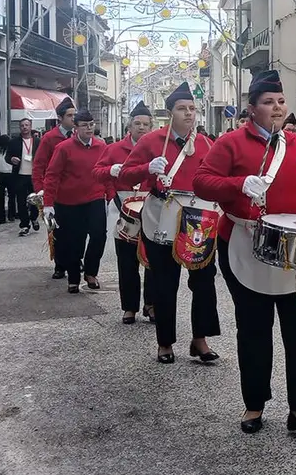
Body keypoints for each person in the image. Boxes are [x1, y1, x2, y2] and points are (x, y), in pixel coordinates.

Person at [193, 70, 296, 437]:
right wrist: (238, 184)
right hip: (245, 244)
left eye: (281, 102)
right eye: (268, 102)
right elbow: (202, 181)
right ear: (252, 109)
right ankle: (255, 403)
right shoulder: (231, 143)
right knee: (254, 328)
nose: (277, 108)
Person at [119, 83, 220, 365]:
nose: (189, 114)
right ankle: (165, 342)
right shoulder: (151, 141)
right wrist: (146, 169)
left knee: (204, 281)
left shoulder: (205, 144)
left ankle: (200, 339)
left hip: (197, 221)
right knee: (165, 283)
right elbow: (125, 175)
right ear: (170, 112)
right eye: (182, 109)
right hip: (161, 216)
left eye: (192, 109)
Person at [94, 101, 156, 323]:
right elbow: (98, 173)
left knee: (153, 260)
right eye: (137, 124)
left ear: (151, 127)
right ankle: (129, 306)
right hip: (123, 208)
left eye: (145, 124)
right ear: (128, 127)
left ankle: (151, 304)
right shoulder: (113, 149)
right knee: (127, 261)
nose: (141, 128)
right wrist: (111, 180)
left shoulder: (158, 148)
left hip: (153, 209)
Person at [43, 109, 110, 294]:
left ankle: (91, 271)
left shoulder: (101, 147)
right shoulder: (64, 148)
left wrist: (112, 197)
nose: (89, 128)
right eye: (85, 125)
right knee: (73, 240)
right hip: (68, 202)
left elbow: (107, 174)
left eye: (91, 125)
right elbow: (52, 176)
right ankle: (73, 277)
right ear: (76, 127)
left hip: (95, 198)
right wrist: (48, 203)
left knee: (99, 235)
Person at [34, 99, 77, 278]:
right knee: (57, 230)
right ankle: (60, 264)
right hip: (55, 193)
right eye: (70, 116)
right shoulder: (49, 138)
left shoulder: (79, 136)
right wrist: (40, 191)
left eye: (75, 115)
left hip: (76, 192)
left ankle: (75, 260)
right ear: (60, 118)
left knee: (77, 230)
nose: (74, 119)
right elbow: (39, 165)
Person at [6, 118, 41, 236]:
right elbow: (7, 156)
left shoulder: (38, 142)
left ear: (30, 127)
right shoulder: (13, 142)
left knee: (35, 200)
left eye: (27, 125)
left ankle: (34, 217)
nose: (24, 127)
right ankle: (24, 225)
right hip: (20, 175)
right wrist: (11, 159)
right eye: (22, 125)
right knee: (21, 201)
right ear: (19, 127)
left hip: (34, 176)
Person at [0, 134, 16, 224]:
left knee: (0, 197)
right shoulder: (10, 152)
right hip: (10, 174)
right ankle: (11, 215)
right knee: (11, 196)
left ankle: (1, 217)